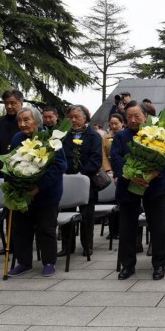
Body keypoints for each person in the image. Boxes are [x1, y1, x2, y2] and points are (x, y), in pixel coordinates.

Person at [111, 100, 165, 280]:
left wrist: (152, 174)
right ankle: (127, 265)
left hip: (154, 186)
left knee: (158, 226)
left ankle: (159, 264)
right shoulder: (121, 136)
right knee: (127, 227)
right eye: (129, 116)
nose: (133, 119)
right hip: (128, 187)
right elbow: (116, 159)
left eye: (137, 116)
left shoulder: (157, 134)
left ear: (145, 117)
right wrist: (131, 175)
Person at [7, 107, 67, 277]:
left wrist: (38, 187)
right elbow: (11, 162)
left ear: (37, 121)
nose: (22, 124)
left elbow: (60, 165)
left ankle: (49, 262)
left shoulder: (50, 138)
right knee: (21, 229)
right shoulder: (17, 138)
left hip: (47, 192)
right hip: (23, 191)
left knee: (45, 228)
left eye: (26, 120)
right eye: (20, 121)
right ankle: (23, 262)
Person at [58, 105, 102, 257]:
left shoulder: (93, 136)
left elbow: (96, 160)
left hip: (86, 181)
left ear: (85, 118)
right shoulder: (64, 136)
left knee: (87, 216)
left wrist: (81, 174)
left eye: (77, 117)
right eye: (70, 118)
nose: (73, 120)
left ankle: (87, 245)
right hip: (67, 179)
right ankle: (67, 246)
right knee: (66, 212)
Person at [0, 89, 24, 255]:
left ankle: (26, 242)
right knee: (10, 209)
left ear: (21, 103)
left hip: (25, 171)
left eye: (13, 103)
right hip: (6, 172)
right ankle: (10, 244)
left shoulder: (25, 120)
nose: (9, 106)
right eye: (6, 103)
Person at [102, 113, 125, 240]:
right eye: (112, 124)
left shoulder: (125, 135)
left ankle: (121, 229)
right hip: (110, 172)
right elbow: (103, 155)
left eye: (117, 123)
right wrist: (108, 169)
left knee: (121, 204)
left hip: (122, 171)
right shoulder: (106, 137)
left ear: (122, 123)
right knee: (111, 202)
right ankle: (112, 230)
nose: (114, 126)